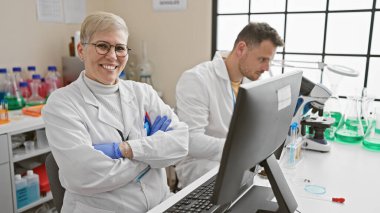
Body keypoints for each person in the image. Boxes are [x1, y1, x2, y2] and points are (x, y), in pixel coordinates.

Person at [42, 12, 188, 213]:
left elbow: (181, 143)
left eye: (120, 48)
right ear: (81, 50)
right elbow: (84, 174)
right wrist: (151, 155)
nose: (112, 56)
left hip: (161, 204)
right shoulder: (61, 104)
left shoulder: (142, 92)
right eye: (102, 46)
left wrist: (124, 150)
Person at [175, 22, 284, 188]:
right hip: (201, 172)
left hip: (238, 166)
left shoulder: (251, 81)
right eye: (262, 59)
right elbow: (191, 141)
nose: (266, 68)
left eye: (269, 61)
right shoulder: (197, 79)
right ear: (241, 49)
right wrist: (240, 148)